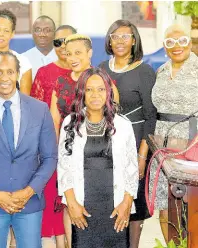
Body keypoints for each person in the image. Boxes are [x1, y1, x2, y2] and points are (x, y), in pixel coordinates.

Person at [0, 51, 57, 248]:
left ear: (18, 74)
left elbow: (50, 158)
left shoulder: (40, 109)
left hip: (29, 203)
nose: (4, 78)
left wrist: (28, 192)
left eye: (10, 72)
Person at [57, 67, 139, 248]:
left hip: (115, 207)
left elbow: (132, 168)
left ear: (108, 92)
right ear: (81, 93)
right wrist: (72, 203)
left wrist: (127, 202)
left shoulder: (123, 125)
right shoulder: (70, 123)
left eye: (101, 89)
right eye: (89, 89)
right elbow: (64, 166)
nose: (95, 94)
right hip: (82, 206)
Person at [99, 19, 157, 248]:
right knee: (110, 200)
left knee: (134, 204)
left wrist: (142, 157)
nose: (120, 41)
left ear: (134, 41)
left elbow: (151, 117)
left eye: (125, 36)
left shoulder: (144, 71)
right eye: (115, 36)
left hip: (136, 147)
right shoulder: (102, 68)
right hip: (106, 147)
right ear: (109, 40)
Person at [30, 24, 77, 248]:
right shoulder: (44, 73)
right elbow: (36, 115)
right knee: (52, 202)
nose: (63, 46)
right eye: (58, 42)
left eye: (68, 41)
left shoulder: (89, 75)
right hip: (50, 148)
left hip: (80, 149)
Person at [150, 23, 198, 243]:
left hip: (191, 144)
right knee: (165, 205)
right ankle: (173, 246)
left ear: (190, 42)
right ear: (164, 46)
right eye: (170, 42)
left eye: (182, 40)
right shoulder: (161, 71)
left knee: (192, 206)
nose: (176, 46)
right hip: (163, 145)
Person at [50, 34, 119, 137]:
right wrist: (56, 150)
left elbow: (114, 119)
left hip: (99, 143)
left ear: (89, 53)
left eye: (78, 53)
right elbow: (54, 121)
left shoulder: (104, 82)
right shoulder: (60, 82)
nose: (72, 58)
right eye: (68, 54)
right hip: (67, 143)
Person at [0, 9, 33, 95]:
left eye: (6, 31)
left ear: (12, 34)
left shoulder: (23, 62)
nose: (1, 34)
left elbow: (24, 100)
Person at [22, 16, 58, 81]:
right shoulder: (23, 59)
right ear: (32, 33)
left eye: (47, 30)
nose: (42, 34)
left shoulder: (63, 57)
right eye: (38, 30)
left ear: (55, 33)